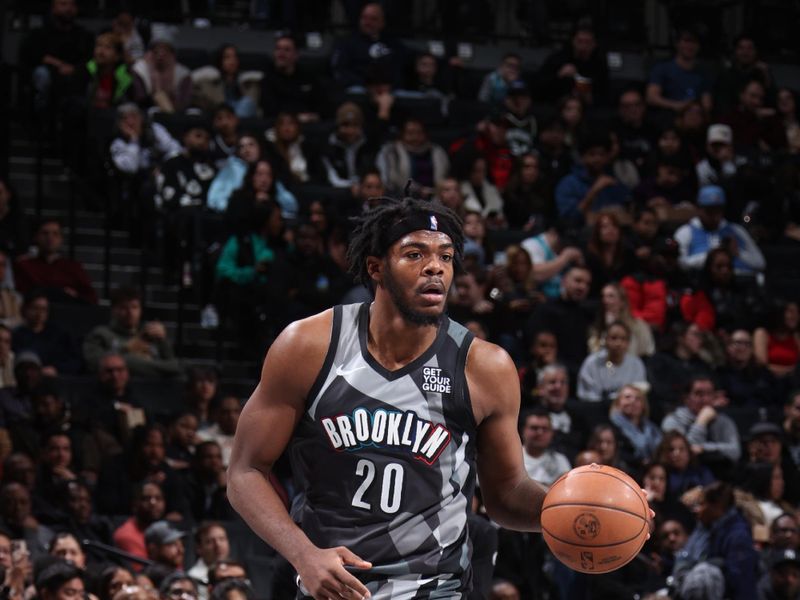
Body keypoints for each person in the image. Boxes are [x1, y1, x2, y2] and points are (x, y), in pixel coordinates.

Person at [227, 198, 558, 599]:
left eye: (446, 256)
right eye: (415, 254)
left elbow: (505, 495)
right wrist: (304, 554)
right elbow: (245, 472)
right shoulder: (309, 346)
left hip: (436, 587)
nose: (435, 267)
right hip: (333, 584)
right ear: (376, 268)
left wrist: (572, 508)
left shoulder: (485, 367)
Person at [83, 287, 181, 379]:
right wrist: (128, 349)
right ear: (113, 310)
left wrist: (163, 341)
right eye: (124, 308)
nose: (130, 312)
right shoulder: (100, 334)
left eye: (134, 307)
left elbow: (174, 367)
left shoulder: (152, 334)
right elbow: (95, 364)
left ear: (140, 310)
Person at [674, 185, 765, 275]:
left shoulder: (736, 230)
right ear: (699, 209)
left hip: (739, 280)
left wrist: (738, 253)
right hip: (703, 282)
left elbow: (760, 264)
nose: (714, 215)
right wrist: (712, 255)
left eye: (718, 210)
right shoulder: (686, 232)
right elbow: (679, 264)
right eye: (709, 210)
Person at [661, 375, 741, 473]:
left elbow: (735, 451)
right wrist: (701, 421)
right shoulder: (672, 421)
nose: (705, 399)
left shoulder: (724, 421)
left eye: (709, 394)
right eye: (699, 394)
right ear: (686, 398)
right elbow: (685, 452)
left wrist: (703, 448)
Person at [14, 219, 97, 304]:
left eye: (55, 234)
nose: (50, 238)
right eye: (45, 233)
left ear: (61, 239)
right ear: (35, 237)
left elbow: (92, 298)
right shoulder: (24, 265)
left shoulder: (74, 267)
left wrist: (75, 295)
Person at [331, 2, 407, 91]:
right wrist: (366, 85)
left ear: (382, 22)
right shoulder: (347, 43)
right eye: (364, 18)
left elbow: (400, 70)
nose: (367, 22)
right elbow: (340, 70)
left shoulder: (393, 44)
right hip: (359, 89)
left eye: (373, 19)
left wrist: (389, 86)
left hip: (390, 91)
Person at [536, 24, 608, 106]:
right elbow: (539, 87)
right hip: (557, 105)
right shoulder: (557, 59)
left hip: (588, 109)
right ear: (573, 41)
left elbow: (605, 94)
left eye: (587, 42)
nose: (583, 46)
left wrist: (590, 97)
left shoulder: (599, 65)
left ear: (594, 44)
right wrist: (559, 75)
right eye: (580, 41)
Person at [646, 28, 712, 116]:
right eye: (686, 41)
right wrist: (676, 105)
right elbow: (651, 97)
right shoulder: (663, 68)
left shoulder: (704, 72)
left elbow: (707, 103)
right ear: (677, 44)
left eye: (694, 42)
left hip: (693, 117)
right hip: (667, 116)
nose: (690, 46)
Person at [576, 321, 647, 403]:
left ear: (628, 343)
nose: (618, 343)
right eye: (614, 338)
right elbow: (585, 394)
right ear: (605, 340)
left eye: (623, 339)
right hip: (596, 409)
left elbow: (638, 394)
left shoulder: (636, 365)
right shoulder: (592, 363)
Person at [260, 34, 323, 121]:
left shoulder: (308, 77)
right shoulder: (267, 80)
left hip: (309, 126)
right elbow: (270, 111)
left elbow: (322, 106)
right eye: (278, 49)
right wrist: (297, 117)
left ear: (296, 55)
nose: (281, 54)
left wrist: (315, 116)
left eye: (286, 50)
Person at [519, 407, 571, 488]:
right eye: (534, 428)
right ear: (523, 431)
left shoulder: (560, 460)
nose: (540, 432)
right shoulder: (513, 458)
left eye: (545, 429)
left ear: (552, 433)